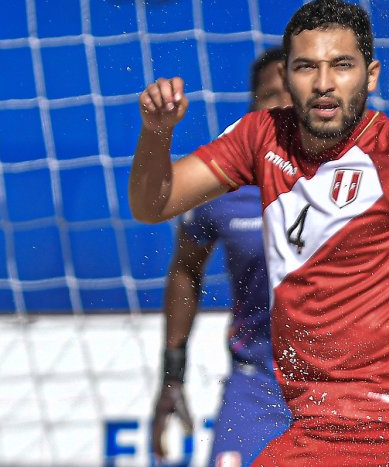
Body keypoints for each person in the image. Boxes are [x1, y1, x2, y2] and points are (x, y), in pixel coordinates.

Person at [128, 0, 389, 466]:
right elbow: (152, 204)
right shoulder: (260, 136)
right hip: (305, 418)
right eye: (307, 67)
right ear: (286, 76)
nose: (324, 84)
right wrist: (156, 133)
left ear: (372, 75)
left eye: (342, 65)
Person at [149, 47, 292, 466]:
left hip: (341, 382)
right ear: (253, 108)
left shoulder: (356, 180)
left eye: (292, 93)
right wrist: (172, 376)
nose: (283, 105)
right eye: (271, 96)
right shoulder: (224, 189)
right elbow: (185, 270)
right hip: (257, 383)